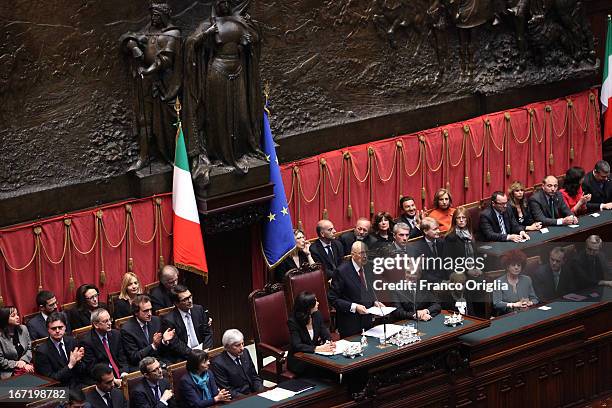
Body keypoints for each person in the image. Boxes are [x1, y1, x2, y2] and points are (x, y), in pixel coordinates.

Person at [183, 0, 264, 181]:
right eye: (220, 2)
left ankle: (238, 151)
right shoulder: (209, 24)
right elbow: (190, 42)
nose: (224, 5)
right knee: (219, 115)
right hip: (217, 73)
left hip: (238, 71)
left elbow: (255, 38)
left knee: (240, 114)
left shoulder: (238, 22)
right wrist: (206, 34)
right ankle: (219, 155)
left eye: (226, 2)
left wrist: (249, 43)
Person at [119, 3, 182, 171]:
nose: (153, 18)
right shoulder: (149, 30)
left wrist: (148, 70)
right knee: (144, 119)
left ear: (164, 15)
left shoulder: (173, 34)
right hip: (146, 81)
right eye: (151, 15)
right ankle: (144, 157)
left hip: (165, 85)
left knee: (168, 122)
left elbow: (166, 60)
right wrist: (134, 47)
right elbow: (128, 36)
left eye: (156, 15)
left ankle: (172, 157)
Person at [328, 241, 383, 337]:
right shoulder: (341, 271)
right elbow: (332, 298)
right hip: (351, 325)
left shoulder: (369, 266)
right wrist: (354, 307)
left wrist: (374, 301)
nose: (365, 256)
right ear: (353, 254)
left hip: (368, 323)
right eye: (362, 253)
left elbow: (368, 288)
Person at [34, 312, 85, 391]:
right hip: (59, 390)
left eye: (60, 327)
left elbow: (81, 371)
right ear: (48, 329)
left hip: (77, 384)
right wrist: (70, 365)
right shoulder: (42, 352)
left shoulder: (72, 341)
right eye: (53, 328)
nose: (57, 331)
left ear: (65, 327)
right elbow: (51, 380)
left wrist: (79, 362)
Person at [120, 294, 175, 368]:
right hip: (143, 366)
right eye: (145, 311)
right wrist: (153, 345)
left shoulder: (156, 321)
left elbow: (162, 351)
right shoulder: (127, 330)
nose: (149, 314)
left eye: (150, 309)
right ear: (136, 312)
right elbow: (134, 357)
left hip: (160, 360)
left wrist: (164, 341)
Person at [161, 285, 213, 362]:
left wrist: (206, 350)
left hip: (204, 350)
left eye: (190, 296)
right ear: (176, 303)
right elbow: (176, 344)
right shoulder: (169, 320)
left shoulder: (199, 309)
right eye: (185, 299)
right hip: (185, 357)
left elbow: (208, 332)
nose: (190, 301)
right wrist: (196, 355)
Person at [286, 292, 334, 375]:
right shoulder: (293, 322)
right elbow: (297, 345)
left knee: (333, 368)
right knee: (326, 370)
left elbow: (325, 333)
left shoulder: (317, 314)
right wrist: (317, 349)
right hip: (299, 359)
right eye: (315, 301)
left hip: (315, 356)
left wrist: (328, 342)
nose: (318, 303)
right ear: (308, 306)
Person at [81, 308, 129, 384]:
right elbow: (93, 368)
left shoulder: (116, 334)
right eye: (105, 321)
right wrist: (112, 380)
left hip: (120, 373)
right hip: (104, 379)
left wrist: (124, 373)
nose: (110, 323)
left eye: (110, 319)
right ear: (96, 324)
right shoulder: (87, 342)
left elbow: (122, 357)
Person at [211, 329, 264, 398]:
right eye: (237, 345)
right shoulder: (218, 363)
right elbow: (227, 390)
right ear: (227, 347)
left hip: (253, 393)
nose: (242, 348)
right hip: (238, 398)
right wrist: (248, 399)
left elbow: (254, 376)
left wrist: (261, 392)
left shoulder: (245, 352)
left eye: (243, 343)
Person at [492, 250, 539, 315]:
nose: (516, 267)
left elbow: (535, 299)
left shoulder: (527, 279)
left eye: (519, 265)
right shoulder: (498, 282)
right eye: (513, 265)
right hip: (507, 315)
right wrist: (514, 304)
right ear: (507, 266)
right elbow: (497, 304)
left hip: (525, 313)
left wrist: (530, 303)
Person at [0, 306, 33, 379]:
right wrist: (17, 364)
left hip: (28, 365)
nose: (17, 317)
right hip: (9, 372)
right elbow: (1, 361)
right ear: (4, 319)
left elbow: (29, 348)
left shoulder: (23, 329)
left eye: (17, 314)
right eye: (13, 316)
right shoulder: (1, 337)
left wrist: (23, 361)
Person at [412, 217, 447, 283]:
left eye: (438, 228)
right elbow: (422, 273)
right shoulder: (417, 247)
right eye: (435, 229)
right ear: (425, 231)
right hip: (430, 283)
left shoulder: (442, 242)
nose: (438, 231)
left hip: (446, 278)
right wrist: (441, 281)